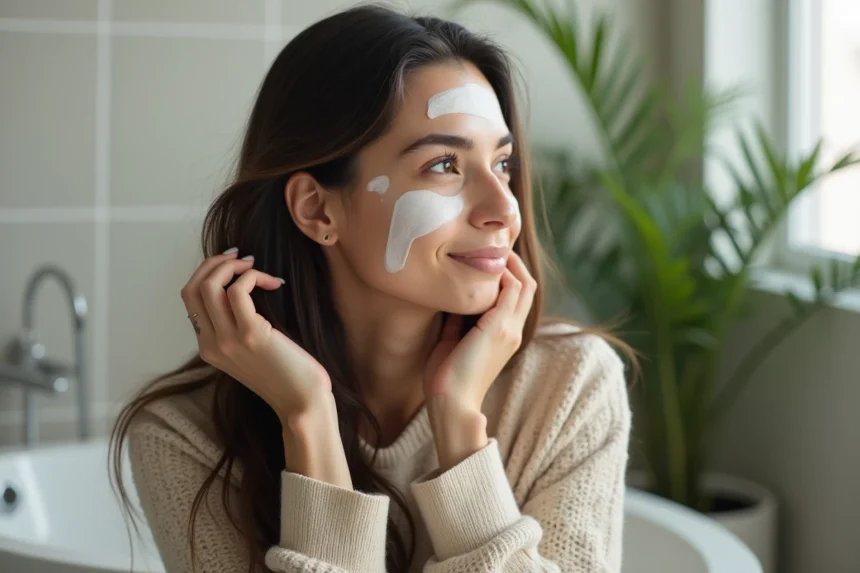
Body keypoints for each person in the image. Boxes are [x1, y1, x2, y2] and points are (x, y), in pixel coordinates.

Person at [109, 4, 633, 573]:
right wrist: (308, 419)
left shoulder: (571, 387)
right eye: (444, 165)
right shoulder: (185, 436)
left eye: (502, 163)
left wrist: (459, 422)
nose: (504, 210)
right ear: (317, 208)